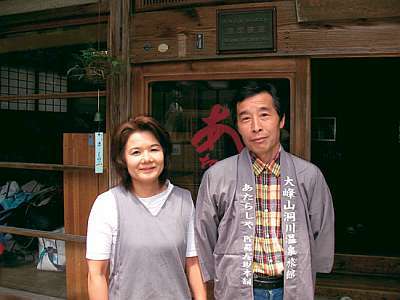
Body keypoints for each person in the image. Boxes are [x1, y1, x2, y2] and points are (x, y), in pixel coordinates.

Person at [194, 81, 334, 300]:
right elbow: (204, 233)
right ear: (237, 126)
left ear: (282, 119)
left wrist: (315, 269)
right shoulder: (217, 176)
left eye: (264, 115)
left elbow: (321, 229)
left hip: (291, 286)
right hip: (238, 286)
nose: (255, 126)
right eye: (245, 118)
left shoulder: (309, 174)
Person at [86, 116, 207, 300]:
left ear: (164, 153)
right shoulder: (107, 204)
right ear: (122, 159)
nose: (147, 159)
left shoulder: (184, 200)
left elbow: (192, 263)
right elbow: (96, 274)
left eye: (154, 149)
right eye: (136, 152)